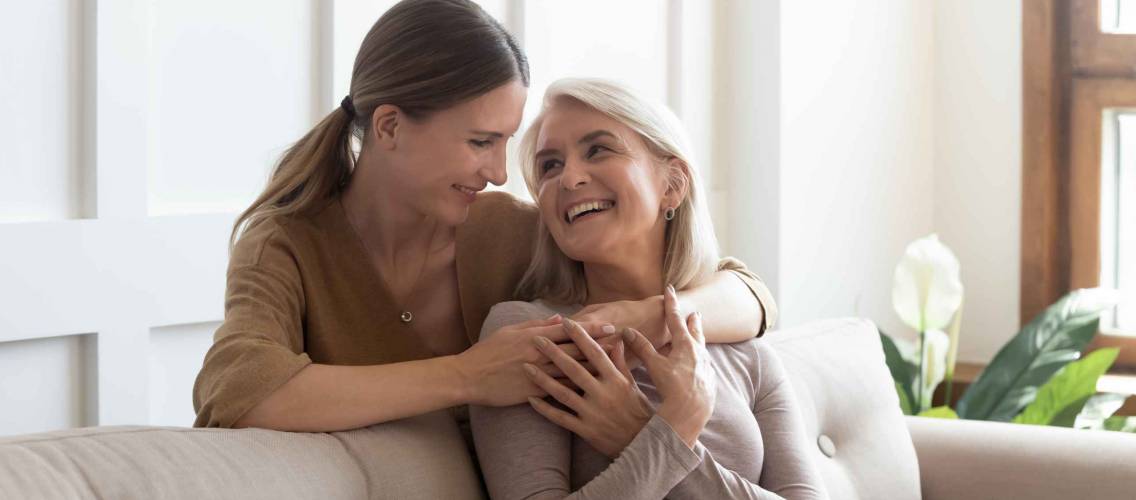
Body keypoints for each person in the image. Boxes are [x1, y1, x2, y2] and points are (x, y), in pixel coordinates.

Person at [192, 0, 777, 433]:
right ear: (390, 126)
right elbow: (237, 394)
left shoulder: (508, 230)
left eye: (507, 143)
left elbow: (750, 294)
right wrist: (468, 375)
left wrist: (648, 315)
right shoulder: (284, 243)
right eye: (479, 142)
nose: (500, 171)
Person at [470, 79, 827, 499]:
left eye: (597, 149)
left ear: (672, 185)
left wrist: (644, 435)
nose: (568, 178)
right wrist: (672, 430)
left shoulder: (747, 352)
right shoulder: (533, 335)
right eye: (550, 165)